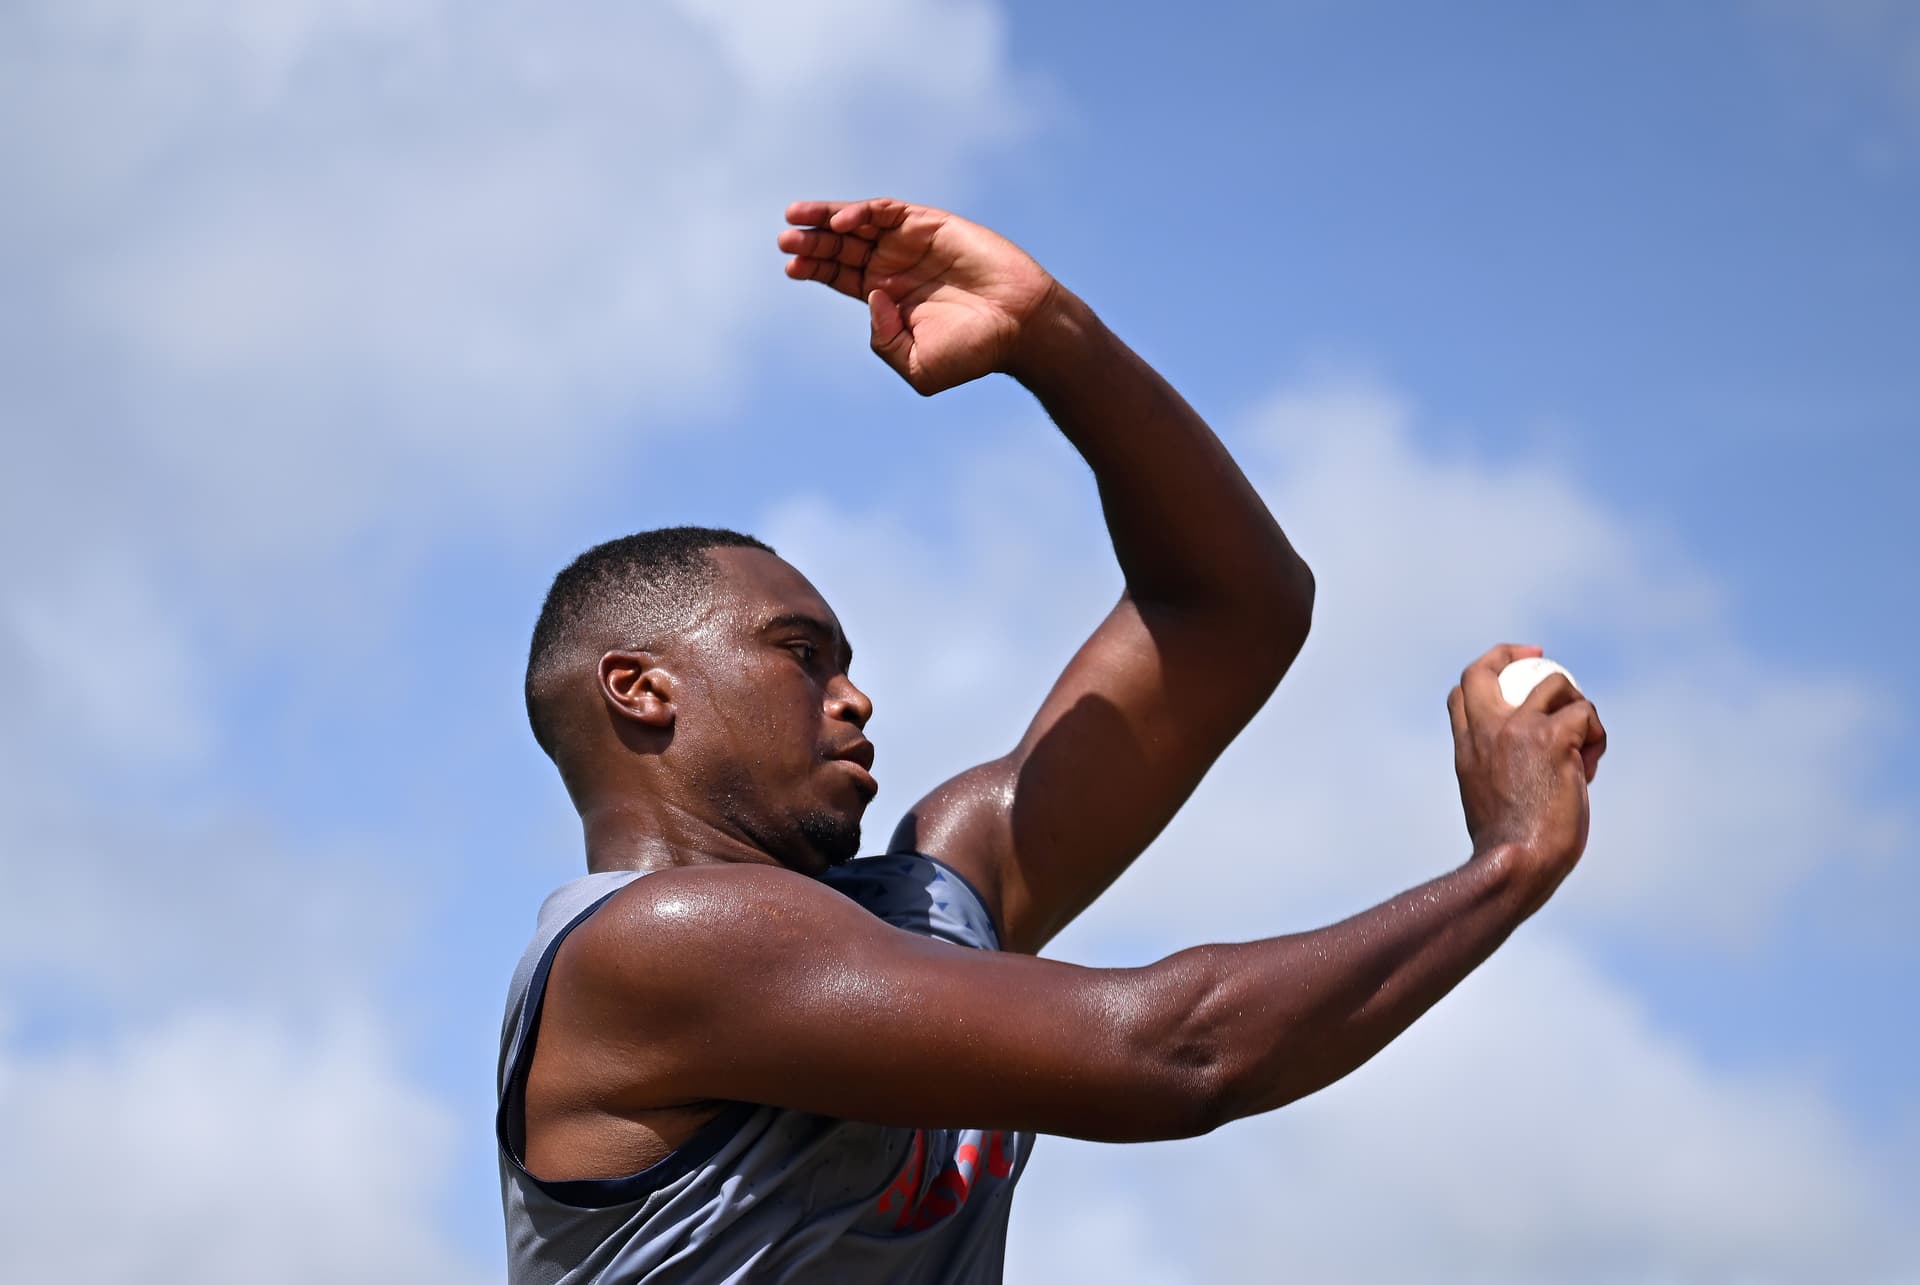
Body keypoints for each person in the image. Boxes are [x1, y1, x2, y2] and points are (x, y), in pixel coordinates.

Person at [497, 197, 1607, 1283]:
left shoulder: (924, 911)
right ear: (642, 689)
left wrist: (1047, 334)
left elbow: (1233, 610)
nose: (854, 698)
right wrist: (1507, 866)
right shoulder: (649, 949)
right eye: (802, 655)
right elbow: (1175, 1053)